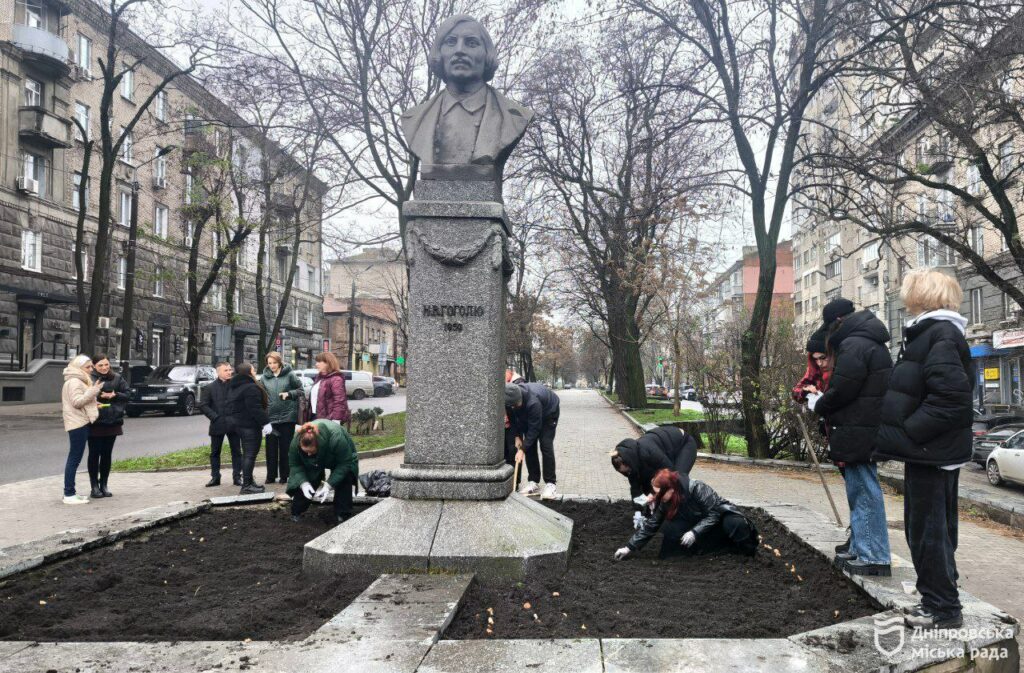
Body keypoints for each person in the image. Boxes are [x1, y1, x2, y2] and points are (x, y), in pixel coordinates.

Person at [875, 270, 974, 629]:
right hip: (932, 452)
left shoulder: (939, 335)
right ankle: (938, 597)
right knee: (934, 530)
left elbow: (951, 400)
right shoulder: (934, 333)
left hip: (931, 453)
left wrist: (910, 432)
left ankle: (943, 608)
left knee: (927, 531)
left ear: (922, 295)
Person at [804, 298, 893, 576]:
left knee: (865, 492)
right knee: (860, 490)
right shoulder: (867, 340)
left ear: (837, 322)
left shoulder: (854, 344)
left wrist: (819, 403)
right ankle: (861, 547)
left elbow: (843, 389)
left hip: (859, 429)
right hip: (861, 428)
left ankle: (874, 556)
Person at [401, 15, 533, 183]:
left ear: (487, 55)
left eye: (471, 43)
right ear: (439, 53)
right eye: (450, 42)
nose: (459, 50)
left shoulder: (514, 117)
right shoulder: (413, 120)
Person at [614, 469, 757, 560]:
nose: (657, 497)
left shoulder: (696, 488)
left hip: (719, 521)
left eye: (659, 493)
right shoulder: (667, 499)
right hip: (701, 526)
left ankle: (748, 553)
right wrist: (629, 547)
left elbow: (714, 513)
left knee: (734, 523)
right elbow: (653, 524)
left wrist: (694, 532)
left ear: (670, 489)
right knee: (670, 533)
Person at [610, 426, 698, 528]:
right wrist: (638, 512)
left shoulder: (649, 451)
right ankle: (653, 515)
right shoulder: (632, 462)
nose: (628, 473)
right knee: (648, 481)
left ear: (629, 462)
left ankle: (687, 516)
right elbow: (636, 488)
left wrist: (654, 496)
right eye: (625, 472)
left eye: (628, 470)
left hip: (684, 444)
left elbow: (669, 474)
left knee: (677, 479)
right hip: (667, 449)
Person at [287, 420, 359, 524]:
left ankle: (342, 513)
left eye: (311, 452)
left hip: (339, 457)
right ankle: (296, 512)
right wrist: (303, 483)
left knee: (344, 477)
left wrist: (329, 485)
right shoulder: (296, 441)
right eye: (305, 452)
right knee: (309, 476)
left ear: (318, 445)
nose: (308, 455)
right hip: (321, 454)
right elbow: (295, 465)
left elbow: (344, 463)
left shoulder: (337, 438)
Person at [505, 382, 560, 499]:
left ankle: (551, 484)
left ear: (520, 399)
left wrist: (522, 450)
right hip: (528, 415)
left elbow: (534, 430)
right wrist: (517, 437)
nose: (514, 407)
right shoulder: (508, 401)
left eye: (516, 405)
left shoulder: (533, 403)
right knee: (529, 447)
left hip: (548, 413)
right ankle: (533, 481)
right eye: (513, 406)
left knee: (545, 445)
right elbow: (513, 420)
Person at [61, 355, 102, 504]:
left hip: (79, 421)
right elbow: (77, 402)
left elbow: (79, 402)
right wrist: (93, 391)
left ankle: (71, 493)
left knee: (75, 458)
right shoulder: (74, 382)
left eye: (91, 366)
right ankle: (69, 494)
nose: (91, 369)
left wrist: (92, 404)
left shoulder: (77, 380)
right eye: (88, 367)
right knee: (74, 459)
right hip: (77, 423)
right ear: (79, 368)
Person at [87, 354, 130, 498]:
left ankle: (104, 484)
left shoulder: (117, 378)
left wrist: (115, 395)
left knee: (106, 454)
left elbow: (128, 394)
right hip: (95, 421)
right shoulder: (89, 378)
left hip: (113, 420)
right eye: (100, 365)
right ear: (94, 366)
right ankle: (94, 487)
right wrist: (98, 396)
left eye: (106, 364)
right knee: (94, 453)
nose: (104, 368)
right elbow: (84, 395)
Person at [226, 361, 270, 494]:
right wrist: (266, 423)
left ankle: (249, 481)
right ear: (249, 372)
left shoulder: (235, 386)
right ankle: (246, 485)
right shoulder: (250, 387)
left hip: (240, 424)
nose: (255, 372)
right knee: (250, 455)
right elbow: (255, 408)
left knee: (247, 454)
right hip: (250, 426)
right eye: (253, 370)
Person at [261, 352, 303, 485]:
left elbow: (301, 390)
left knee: (285, 448)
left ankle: (285, 476)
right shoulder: (264, 378)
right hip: (271, 418)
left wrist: (289, 394)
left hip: (287, 417)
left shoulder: (290, 374)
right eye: (270, 363)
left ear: (279, 362)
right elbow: (261, 396)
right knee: (271, 449)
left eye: (274, 362)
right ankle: (271, 476)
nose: (272, 365)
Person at [199, 362, 242, 487]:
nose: (229, 372)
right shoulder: (210, 388)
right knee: (215, 452)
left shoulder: (236, 386)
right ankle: (215, 477)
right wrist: (214, 417)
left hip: (234, 424)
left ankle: (237, 477)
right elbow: (203, 405)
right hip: (217, 424)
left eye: (230, 370)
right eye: (226, 370)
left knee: (237, 451)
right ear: (218, 372)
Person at [310, 352, 350, 425]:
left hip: (329, 420)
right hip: (315, 417)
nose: (316, 364)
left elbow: (339, 402)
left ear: (328, 363)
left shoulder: (336, 379)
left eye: (319, 362)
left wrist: (336, 420)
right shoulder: (319, 378)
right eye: (316, 362)